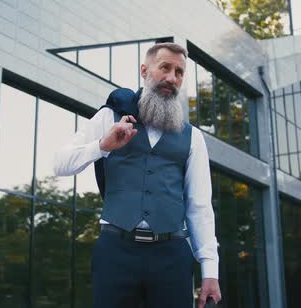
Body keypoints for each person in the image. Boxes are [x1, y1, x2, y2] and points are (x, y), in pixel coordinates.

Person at [54, 42, 221, 308]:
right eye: (164, 67)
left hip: (172, 254)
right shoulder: (110, 117)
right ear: (144, 71)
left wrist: (210, 269)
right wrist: (102, 146)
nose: (171, 78)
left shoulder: (194, 137)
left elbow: (200, 207)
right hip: (115, 251)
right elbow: (60, 164)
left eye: (179, 72)